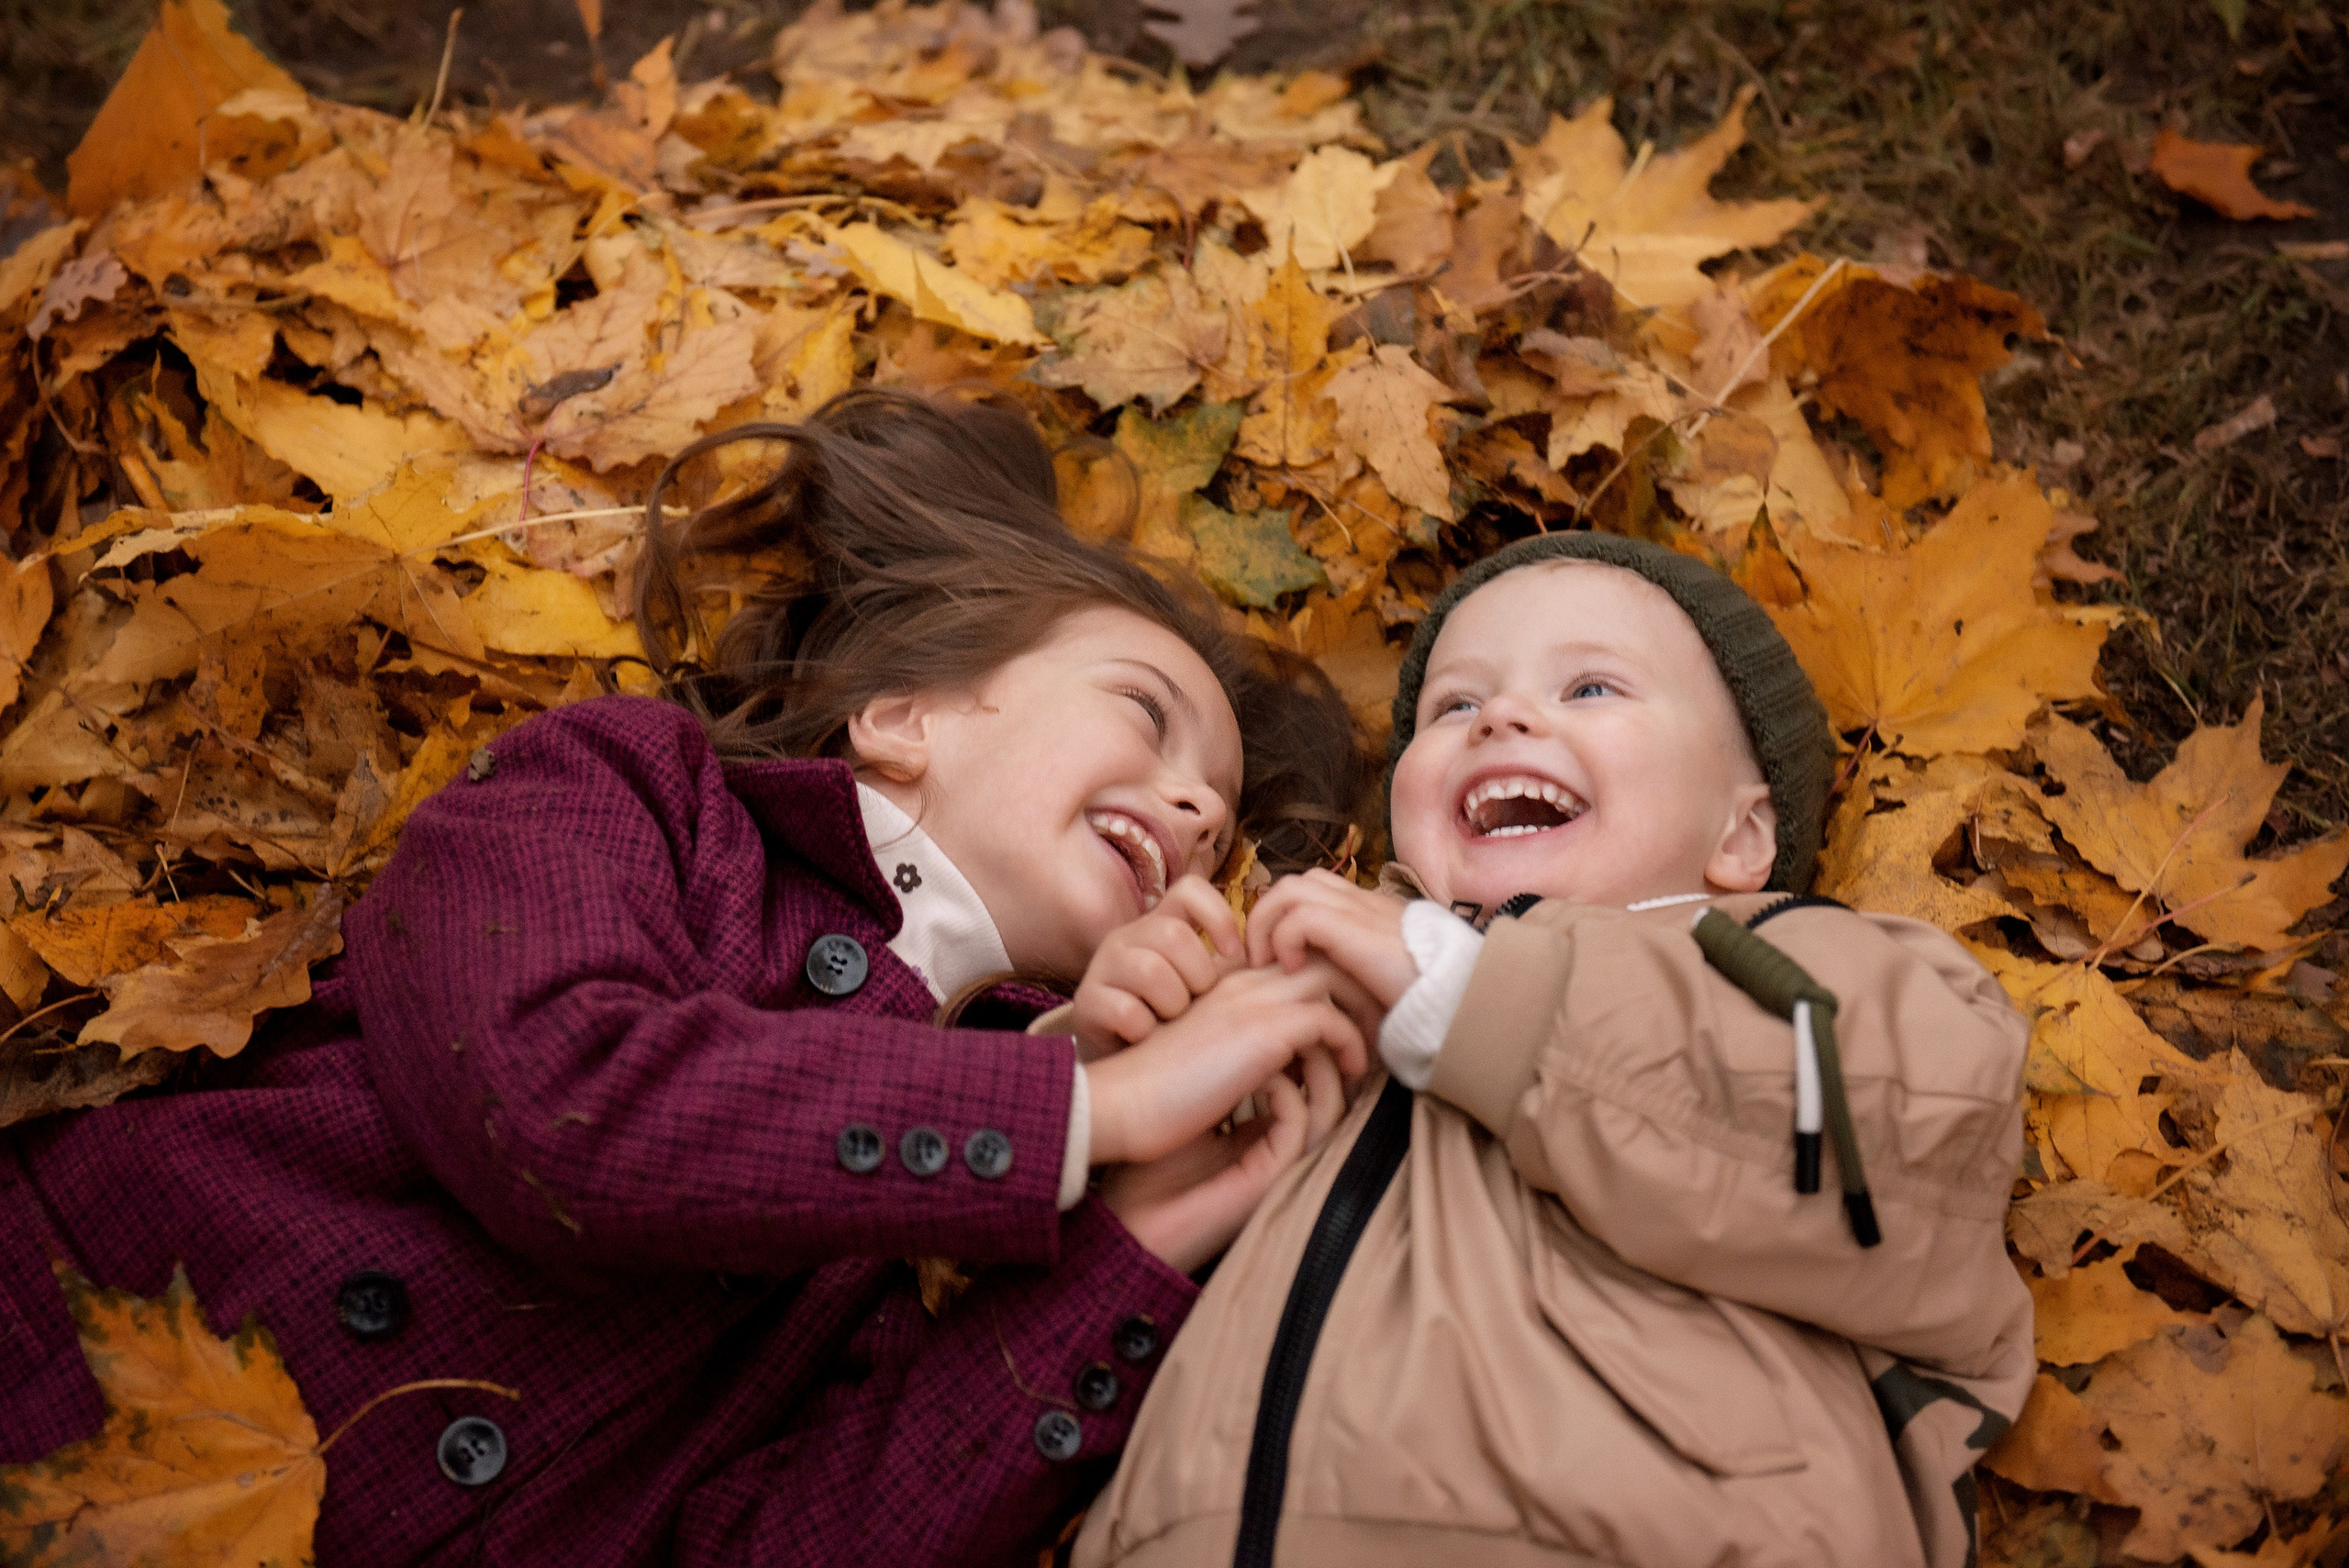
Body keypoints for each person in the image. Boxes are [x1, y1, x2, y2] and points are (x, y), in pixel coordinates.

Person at [0, 391, 1365, 1566]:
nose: (1192, 809)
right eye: (1145, 713)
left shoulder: (993, 1217)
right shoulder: (630, 788)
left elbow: (808, 1542)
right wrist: (1074, 1113)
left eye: (1220, 824)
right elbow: (555, 1101)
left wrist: (1125, 1248)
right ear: (904, 716)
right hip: (51, 1358)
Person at [1073, 532, 2037, 1568]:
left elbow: (1911, 1147)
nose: (1500, 715)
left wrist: (1489, 1004)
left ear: (1743, 835)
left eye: (1590, 686)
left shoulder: (1796, 959)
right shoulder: (1311, 977)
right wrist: (1101, 1056)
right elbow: (1106, 1257)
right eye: (1451, 706)